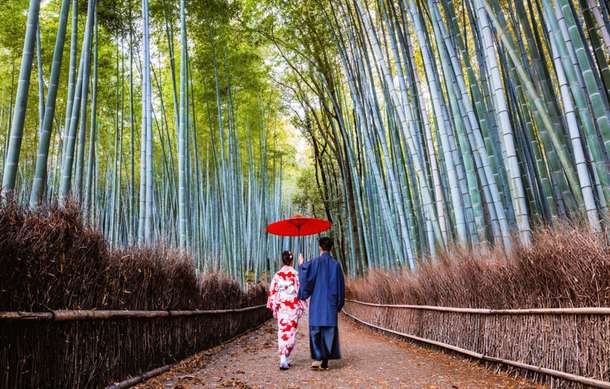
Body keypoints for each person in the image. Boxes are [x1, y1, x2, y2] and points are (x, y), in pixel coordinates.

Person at [298, 237, 345, 370]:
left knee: (316, 331)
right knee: (328, 331)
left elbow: (306, 278)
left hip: (318, 302)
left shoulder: (315, 262)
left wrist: (301, 264)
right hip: (330, 303)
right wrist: (339, 303)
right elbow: (341, 286)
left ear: (320, 247)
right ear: (331, 248)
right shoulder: (336, 265)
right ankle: (324, 361)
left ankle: (318, 358)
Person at [266, 250, 305, 370]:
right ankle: (285, 356)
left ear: (282, 260)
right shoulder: (296, 274)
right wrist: (301, 306)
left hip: (282, 306)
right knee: (291, 331)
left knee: (282, 331)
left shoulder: (277, 275)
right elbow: (300, 291)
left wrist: (274, 307)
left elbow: (273, 292)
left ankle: (283, 357)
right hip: (292, 305)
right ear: (292, 260)